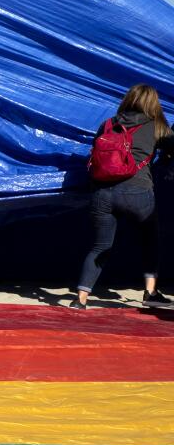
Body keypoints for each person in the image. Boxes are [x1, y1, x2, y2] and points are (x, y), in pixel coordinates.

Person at [73, 83, 170, 309]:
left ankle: (80, 300)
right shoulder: (157, 126)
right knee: (150, 241)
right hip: (138, 191)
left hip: (102, 191)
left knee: (99, 246)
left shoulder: (107, 124)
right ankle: (150, 293)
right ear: (153, 103)